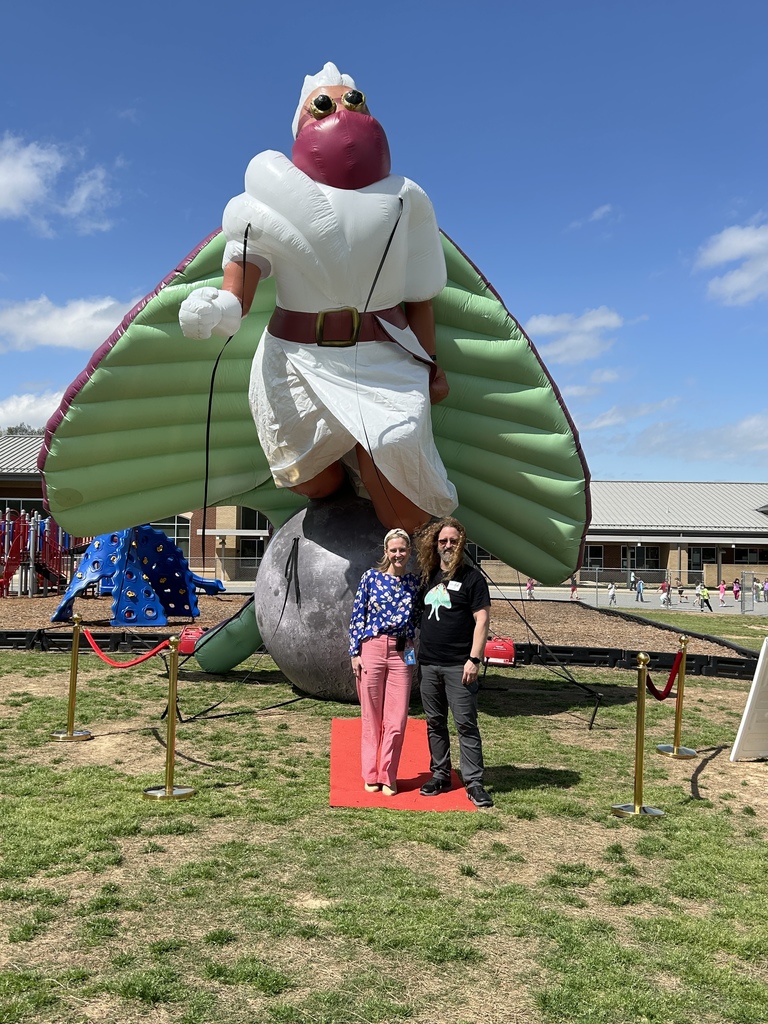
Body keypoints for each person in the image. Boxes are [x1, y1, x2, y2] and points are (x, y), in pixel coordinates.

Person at [178, 62, 457, 535]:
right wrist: (218, 309)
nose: (341, 113)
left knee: (402, 494)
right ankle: (340, 491)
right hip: (296, 358)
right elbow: (238, 289)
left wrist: (431, 363)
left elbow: (419, 296)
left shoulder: (407, 198)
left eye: (353, 101)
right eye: (323, 105)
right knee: (304, 474)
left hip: (384, 356)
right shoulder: (263, 200)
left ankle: (396, 535)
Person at [414, 517, 493, 808]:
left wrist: (474, 658)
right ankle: (440, 774)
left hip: (459, 665)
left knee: (465, 724)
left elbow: (482, 620)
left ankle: (474, 782)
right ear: (435, 544)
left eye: (453, 541)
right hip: (428, 664)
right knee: (435, 722)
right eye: (443, 540)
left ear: (462, 544)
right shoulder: (427, 577)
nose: (447, 545)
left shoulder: (472, 578)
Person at [349, 529, 419, 796]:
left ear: (409, 552)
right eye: (394, 550)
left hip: (403, 650)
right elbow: (358, 615)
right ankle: (370, 773)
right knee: (371, 716)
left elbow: (419, 616)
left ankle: (389, 774)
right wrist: (355, 653)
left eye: (402, 549)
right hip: (373, 648)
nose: (398, 554)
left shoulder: (414, 583)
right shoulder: (371, 578)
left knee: (397, 719)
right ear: (386, 552)